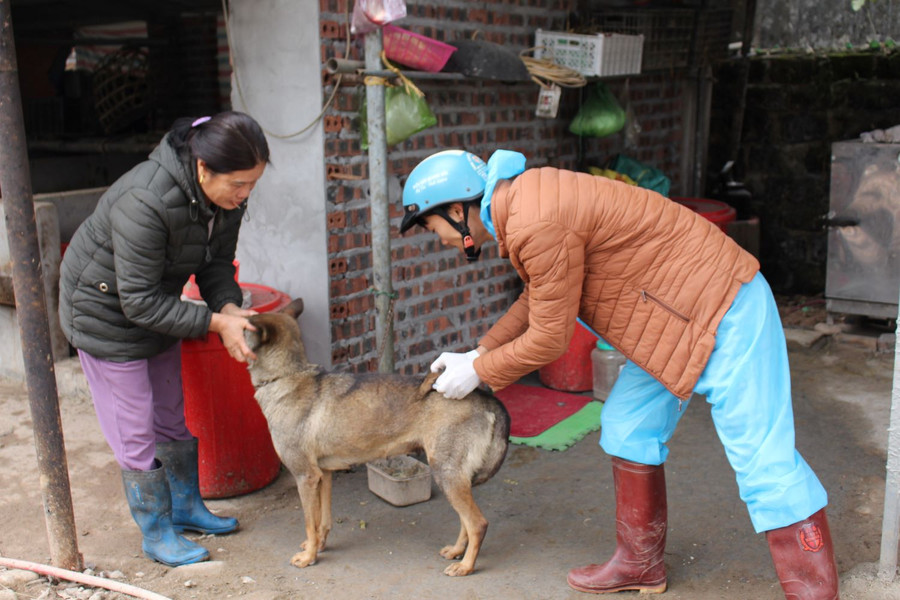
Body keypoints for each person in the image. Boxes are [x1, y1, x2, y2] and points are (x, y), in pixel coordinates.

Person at [398, 149, 839, 599]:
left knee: (762, 457)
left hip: (723, 306)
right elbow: (538, 298)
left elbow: (551, 337)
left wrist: (481, 372)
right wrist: (479, 352)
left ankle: (814, 590)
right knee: (629, 426)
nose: (441, 241)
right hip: (666, 322)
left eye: (433, 230)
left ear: (457, 210)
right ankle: (639, 564)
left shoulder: (533, 218)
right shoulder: (524, 205)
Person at [58, 111, 270, 567]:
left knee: (171, 414)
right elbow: (135, 301)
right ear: (202, 169)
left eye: (252, 184)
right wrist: (214, 324)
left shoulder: (225, 200)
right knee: (135, 427)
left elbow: (215, 265)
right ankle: (157, 531)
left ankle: (187, 508)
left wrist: (228, 306)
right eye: (238, 183)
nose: (245, 194)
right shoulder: (145, 199)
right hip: (104, 313)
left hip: (155, 305)